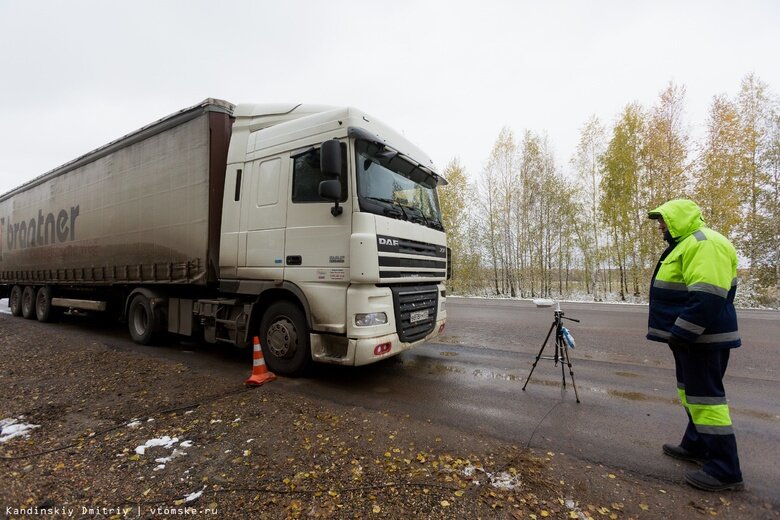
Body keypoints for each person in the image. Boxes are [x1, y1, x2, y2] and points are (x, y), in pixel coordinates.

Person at [646, 199, 744, 492]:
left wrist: (682, 332)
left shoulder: (704, 243)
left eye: (663, 220)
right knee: (691, 395)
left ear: (677, 218)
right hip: (690, 339)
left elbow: (709, 297)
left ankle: (725, 470)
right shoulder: (688, 244)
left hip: (700, 339)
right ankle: (697, 444)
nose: (661, 227)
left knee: (706, 400)